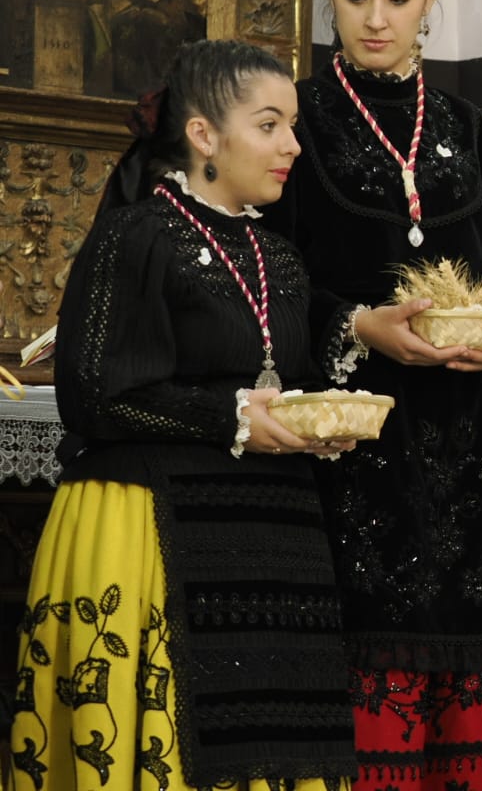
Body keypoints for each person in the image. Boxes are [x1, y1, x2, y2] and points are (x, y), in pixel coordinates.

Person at [261, 0, 482, 791]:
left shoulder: (471, 127)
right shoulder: (299, 120)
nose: (375, 18)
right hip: (357, 452)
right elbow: (276, 279)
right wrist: (359, 325)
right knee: (375, 721)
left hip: (478, 448)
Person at [9, 39, 356, 791]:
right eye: (270, 125)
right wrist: (228, 416)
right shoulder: (138, 234)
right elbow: (95, 395)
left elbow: (279, 383)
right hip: (154, 532)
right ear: (203, 134)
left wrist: (312, 419)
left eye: (293, 125)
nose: (293, 145)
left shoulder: (280, 257)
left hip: (273, 544)